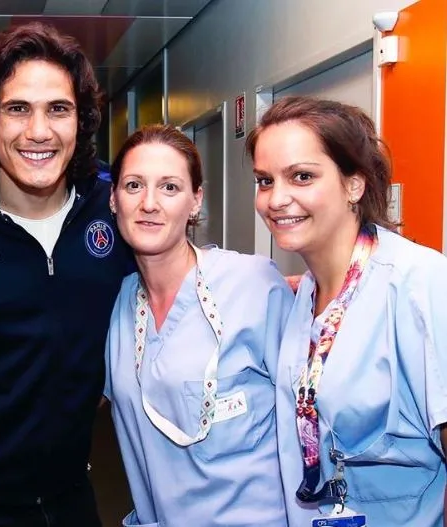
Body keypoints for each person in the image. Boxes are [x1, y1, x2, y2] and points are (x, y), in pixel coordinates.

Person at [0, 22, 132, 526]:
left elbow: (180, 269)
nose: (39, 132)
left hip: (74, 495)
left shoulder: (114, 205)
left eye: (58, 110)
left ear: (80, 121)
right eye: (18, 108)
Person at [248, 95, 447, 526]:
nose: (277, 199)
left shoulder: (418, 284)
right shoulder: (308, 293)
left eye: (301, 177)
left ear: (353, 185)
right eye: (265, 181)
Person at [104, 124, 293, 526]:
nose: (149, 203)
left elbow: (309, 416)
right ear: (113, 200)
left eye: (170, 188)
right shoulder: (116, 305)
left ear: (195, 202)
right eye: (134, 185)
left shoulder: (253, 286)